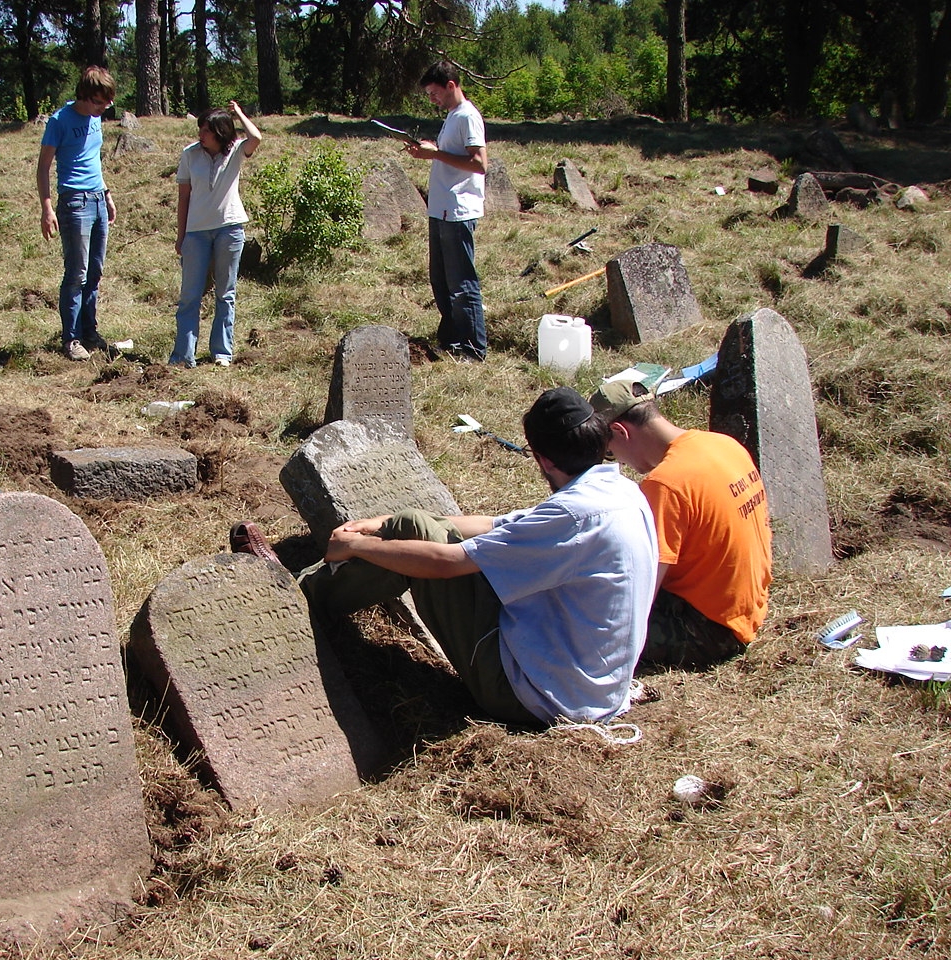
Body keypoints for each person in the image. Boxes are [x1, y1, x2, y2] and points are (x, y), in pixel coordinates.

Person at [236, 388, 658, 727]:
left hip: (532, 696)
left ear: (543, 459)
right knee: (416, 525)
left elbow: (446, 562)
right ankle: (311, 583)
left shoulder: (573, 514)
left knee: (417, 533)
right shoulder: (620, 494)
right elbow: (499, 523)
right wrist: (379, 522)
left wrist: (358, 544)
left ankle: (290, 596)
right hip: (590, 688)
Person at [590, 380, 773, 667]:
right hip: (749, 607)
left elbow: (640, 590)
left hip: (708, 631)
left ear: (619, 431)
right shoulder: (724, 444)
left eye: (610, 453)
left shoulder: (665, 483)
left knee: (578, 620)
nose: (618, 463)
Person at [169, 101, 262, 368]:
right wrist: (181, 235)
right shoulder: (189, 154)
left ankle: (222, 353)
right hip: (196, 233)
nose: (201, 135)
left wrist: (239, 114)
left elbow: (255, 137)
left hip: (229, 230)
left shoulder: (235, 153)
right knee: (190, 295)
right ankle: (183, 356)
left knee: (225, 293)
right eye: (200, 129)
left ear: (221, 133)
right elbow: (183, 197)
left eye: (207, 130)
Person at [405, 61, 487, 362]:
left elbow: (479, 163)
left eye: (434, 92)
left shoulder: (468, 116)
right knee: (441, 280)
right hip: (440, 209)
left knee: (462, 284)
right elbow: (450, 156)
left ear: (451, 85)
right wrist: (428, 150)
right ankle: (452, 340)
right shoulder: (453, 116)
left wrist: (435, 153)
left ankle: (473, 348)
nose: (432, 99)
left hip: (458, 210)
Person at [37, 66, 118, 362]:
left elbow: (93, 160)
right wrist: (47, 208)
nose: (103, 108)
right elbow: (43, 166)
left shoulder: (96, 119)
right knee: (77, 274)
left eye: (107, 102)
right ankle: (71, 339)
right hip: (74, 202)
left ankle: (89, 331)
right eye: (99, 101)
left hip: (97, 199)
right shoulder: (59, 121)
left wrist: (107, 194)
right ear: (85, 95)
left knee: (95, 272)